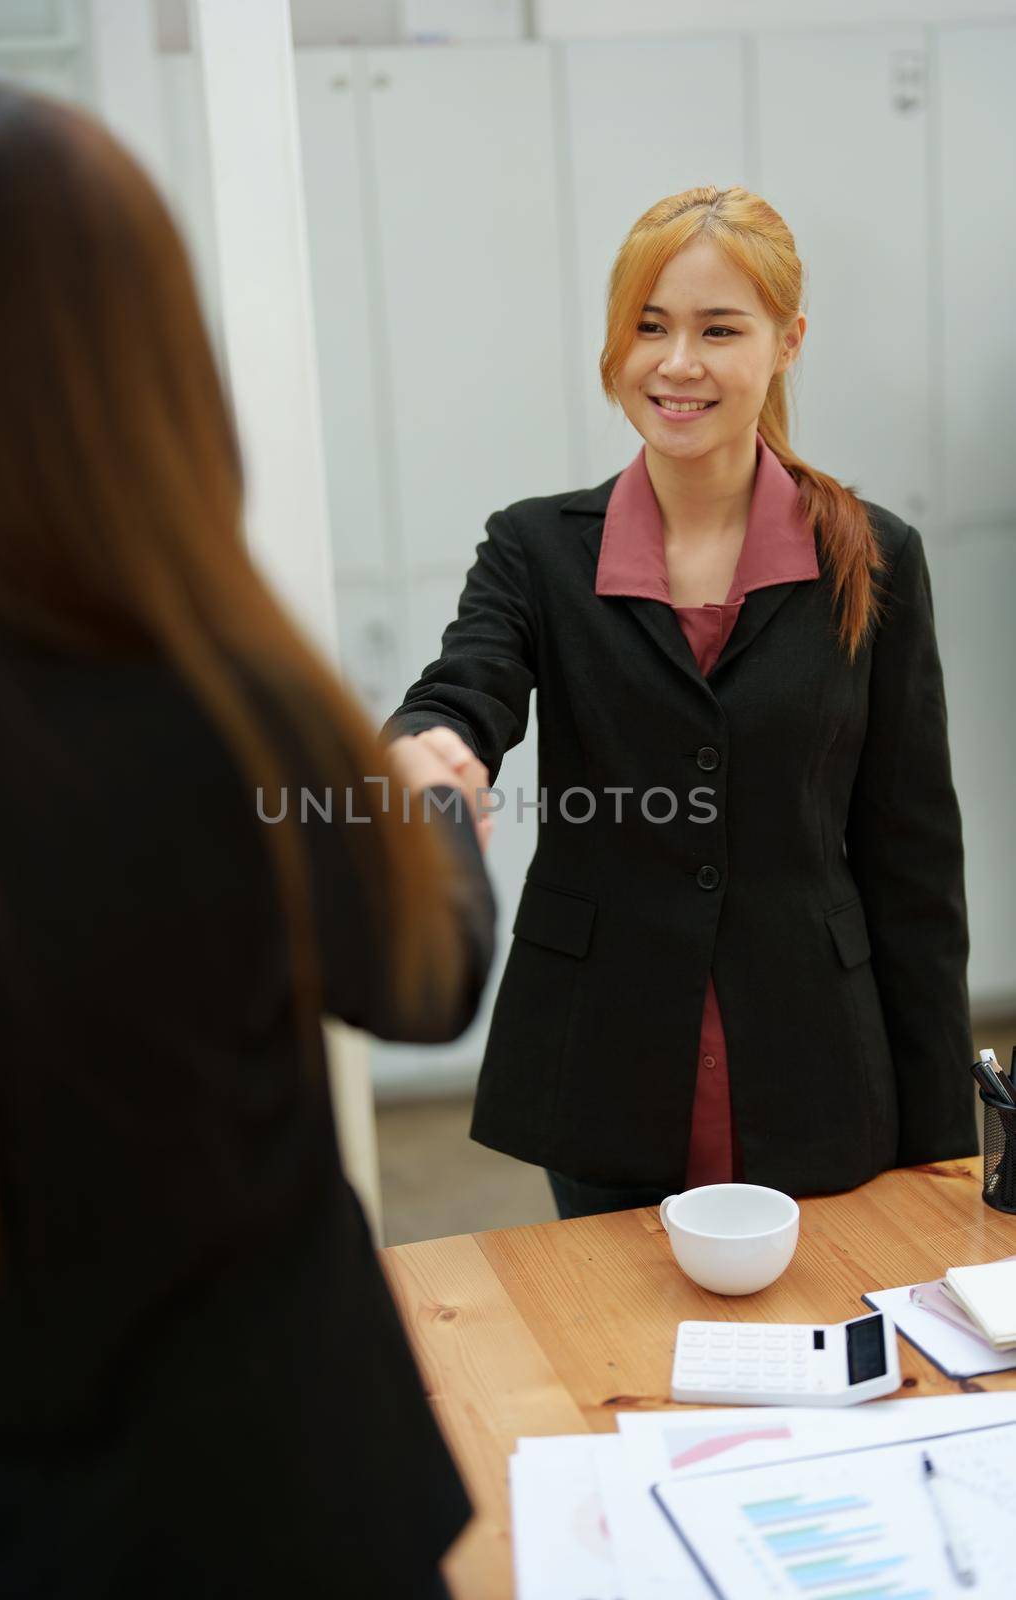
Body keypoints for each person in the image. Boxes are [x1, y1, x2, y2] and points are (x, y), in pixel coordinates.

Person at [0, 85, 494, 1598]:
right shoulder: (226, 701)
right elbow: (425, 979)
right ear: (148, 363)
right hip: (282, 1509)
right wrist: (432, 809)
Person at [386, 184, 977, 1221]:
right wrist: (431, 747)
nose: (675, 363)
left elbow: (911, 856)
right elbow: (464, 683)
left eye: (717, 328)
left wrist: (941, 1144)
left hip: (815, 1063)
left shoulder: (873, 558)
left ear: (786, 340)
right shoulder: (534, 549)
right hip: (604, 1060)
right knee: (612, 1365)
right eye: (647, 327)